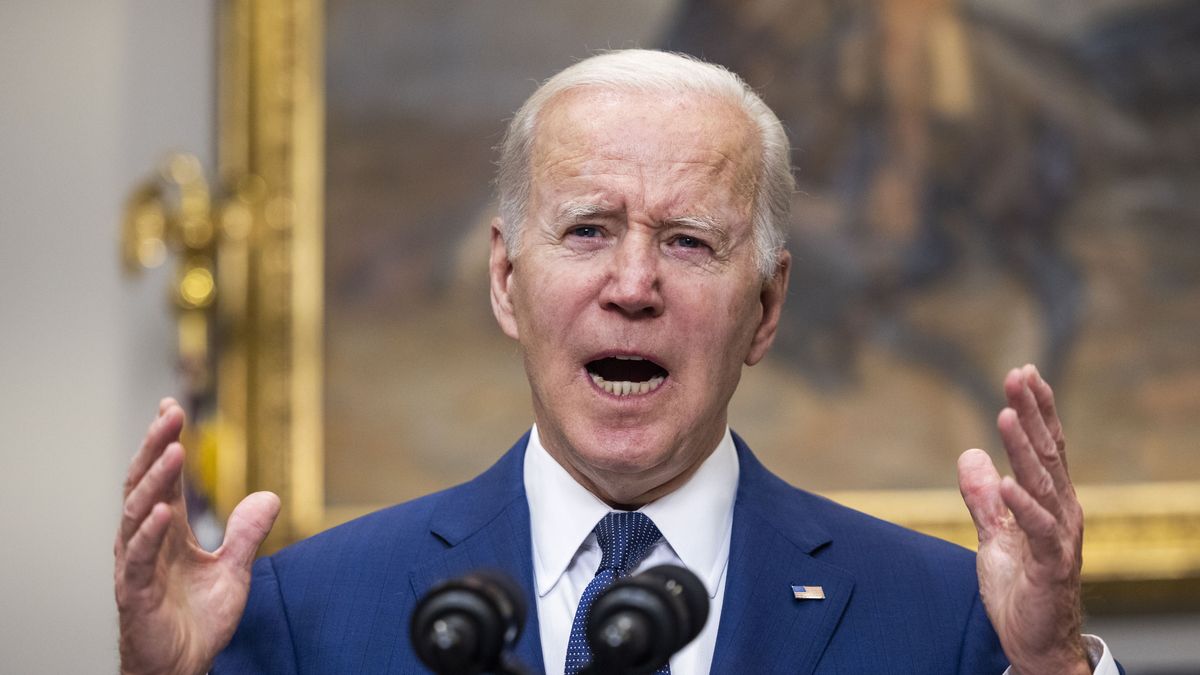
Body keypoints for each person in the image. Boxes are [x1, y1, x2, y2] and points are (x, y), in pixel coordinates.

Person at [114, 50, 1121, 674]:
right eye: (588, 230)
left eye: (688, 240)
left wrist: (1052, 668)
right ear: (506, 281)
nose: (634, 284)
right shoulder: (313, 613)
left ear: (766, 307)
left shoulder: (946, 620)